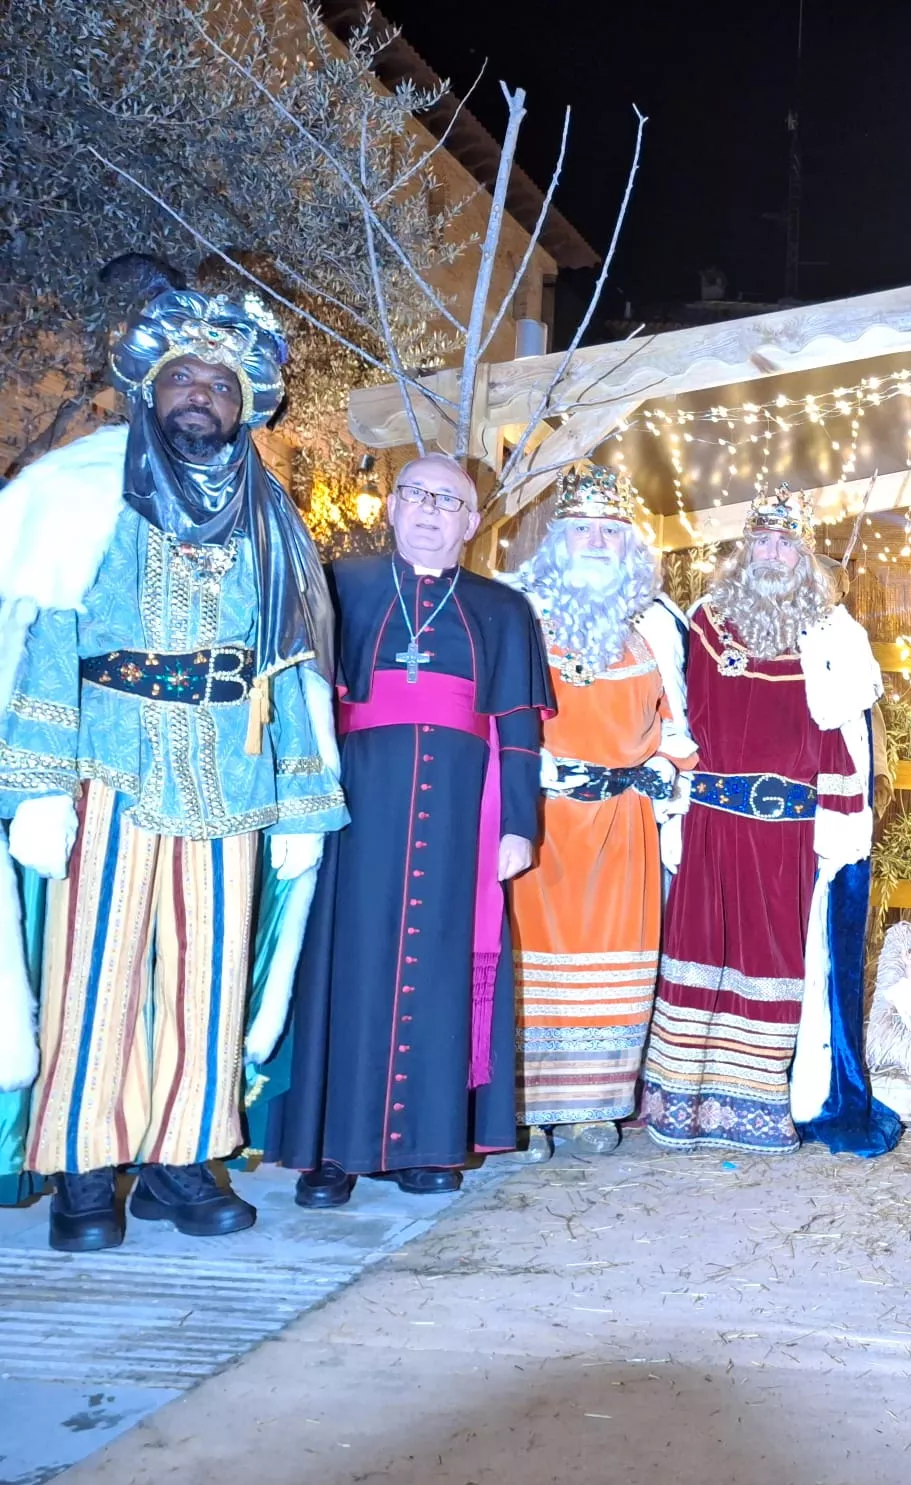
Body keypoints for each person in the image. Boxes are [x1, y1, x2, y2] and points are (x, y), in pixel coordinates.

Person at [0, 285, 344, 1250]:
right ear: (149, 392)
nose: (200, 394)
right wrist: (33, 790)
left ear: (248, 404)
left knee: (208, 975)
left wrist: (304, 805)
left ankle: (181, 1160)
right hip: (107, 766)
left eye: (219, 384)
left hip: (229, 781)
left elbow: (290, 664)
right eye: (181, 378)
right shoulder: (87, 489)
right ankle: (80, 1171)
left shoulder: (271, 515)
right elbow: (49, 635)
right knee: (95, 971)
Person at [271, 454, 553, 1206]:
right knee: (346, 965)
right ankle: (332, 1151)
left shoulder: (503, 609)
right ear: (392, 508)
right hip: (357, 807)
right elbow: (299, 697)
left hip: (463, 815)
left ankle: (428, 1145)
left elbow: (520, 729)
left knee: (442, 969)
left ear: (471, 523)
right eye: (417, 496)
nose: (431, 511)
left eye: (450, 501)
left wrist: (517, 827)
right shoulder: (341, 585)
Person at [644, 487, 900, 1157]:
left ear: (804, 553)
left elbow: (849, 739)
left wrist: (843, 823)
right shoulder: (702, 622)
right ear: (744, 549)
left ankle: (760, 1108)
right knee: (701, 952)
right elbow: (675, 715)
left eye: (787, 542)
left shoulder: (832, 635)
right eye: (763, 540)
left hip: (788, 832)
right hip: (712, 824)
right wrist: (674, 804)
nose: (775, 553)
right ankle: (684, 1105)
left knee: (776, 962)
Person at [505, 464, 689, 1157]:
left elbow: (679, 727)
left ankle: (595, 1108)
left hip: (625, 825)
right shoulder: (517, 611)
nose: (593, 543)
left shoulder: (655, 627)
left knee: (617, 963)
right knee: (533, 964)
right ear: (557, 541)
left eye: (608, 533)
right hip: (545, 821)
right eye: (579, 531)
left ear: (629, 547)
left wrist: (663, 770)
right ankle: (522, 1110)